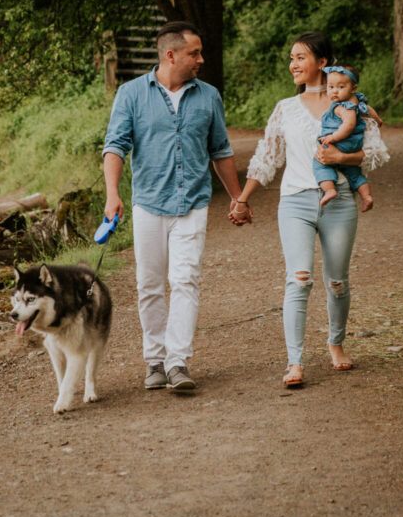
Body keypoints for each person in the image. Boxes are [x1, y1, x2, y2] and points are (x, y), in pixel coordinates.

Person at [232, 32, 388, 388]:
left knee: (336, 282)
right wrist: (243, 199)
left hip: (341, 202)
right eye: (291, 58)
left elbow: (376, 152)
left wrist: (341, 158)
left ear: (323, 63)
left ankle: (335, 343)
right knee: (298, 278)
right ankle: (295, 361)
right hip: (295, 203)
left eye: (300, 57)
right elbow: (266, 159)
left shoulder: (352, 106)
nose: (293, 65)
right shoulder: (284, 109)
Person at [102, 21, 248, 393]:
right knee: (149, 285)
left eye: (200, 53)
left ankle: (177, 361)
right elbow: (115, 146)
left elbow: (221, 150)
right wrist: (112, 194)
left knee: (185, 280)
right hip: (149, 204)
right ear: (171, 55)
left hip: (193, 202)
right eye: (194, 53)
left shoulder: (208, 96)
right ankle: (154, 361)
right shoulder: (131, 94)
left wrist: (238, 197)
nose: (201, 59)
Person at [314, 64, 375, 212]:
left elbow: (348, 126)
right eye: (330, 87)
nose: (334, 91)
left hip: (341, 142)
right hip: (353, 145)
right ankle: (366, 196)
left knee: (320, 163)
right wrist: (378, 120)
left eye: (340, 87)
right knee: (354, 174)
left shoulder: (344, 107)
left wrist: (333, 137)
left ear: (353, 88)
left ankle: (329, 189)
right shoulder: (358, 102)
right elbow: (370, 111)